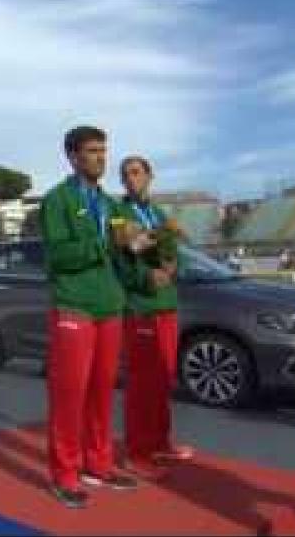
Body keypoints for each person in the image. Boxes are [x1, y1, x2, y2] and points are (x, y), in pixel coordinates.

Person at [38, 126, 168, 508]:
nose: (101, 158)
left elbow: (124, 255)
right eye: (92, 151)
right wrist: (104, 243)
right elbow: (58, 257)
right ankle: (64, 473)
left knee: (101, 393)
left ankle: (98, 462)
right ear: (73, 156)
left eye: (103, 150)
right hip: (74, 305)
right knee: (69, 395)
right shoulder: (57, 201)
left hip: (110, 308)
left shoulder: (110, 205)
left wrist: (147, 273)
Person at [117, 155, 194, 481]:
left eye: (136, 172)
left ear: (150, 176)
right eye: (125, 175)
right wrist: (148, 277)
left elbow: (176, 254)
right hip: (140, 306)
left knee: (164, 377)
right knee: (141, 383)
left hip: (166, 305)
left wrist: (173, 267)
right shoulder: (117, 214)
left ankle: (161, 442)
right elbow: (126, 250)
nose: (131, 178)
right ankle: (136, 452)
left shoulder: (159, 212)